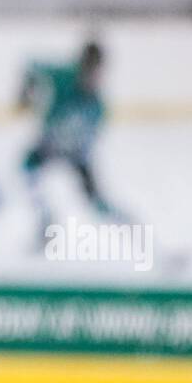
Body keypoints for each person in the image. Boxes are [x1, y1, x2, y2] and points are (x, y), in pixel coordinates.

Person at [19, 42, 129, 250]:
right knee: (28, 172)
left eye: (98, 72)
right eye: (90, 71)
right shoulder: (63, 77)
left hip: (76, 153)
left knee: (98, 204)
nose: (94, 78)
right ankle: (45, 222)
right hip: (49, 146)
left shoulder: (97, 104)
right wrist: (25, 92)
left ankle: (133, 231)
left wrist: (80, 156)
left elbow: (92, 137)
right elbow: (31, 65)